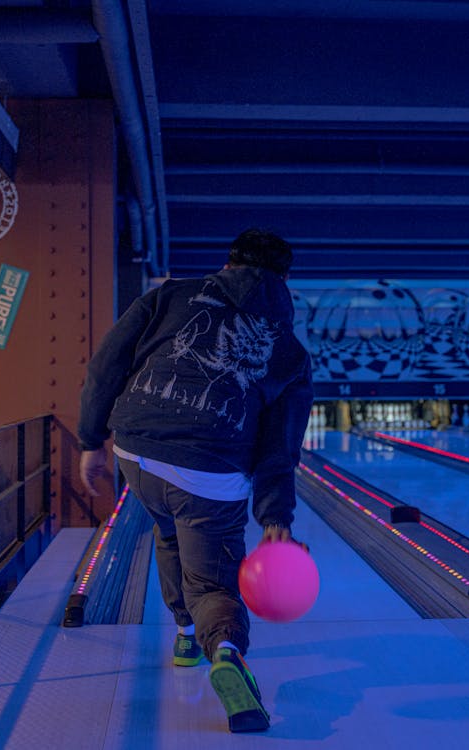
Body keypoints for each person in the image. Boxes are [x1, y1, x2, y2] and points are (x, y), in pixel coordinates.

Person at [77, 228, 314, 733]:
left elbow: (105, 367)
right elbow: (280, 446)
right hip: (210, 473)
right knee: (213, 581)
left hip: (136, 452)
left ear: (227, 263)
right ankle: (225, 650)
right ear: (285, 280)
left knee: (167, 530)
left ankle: (186, 632)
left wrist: (90, 440)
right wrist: (276, 517)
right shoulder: (290, 352)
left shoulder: (170, 295)